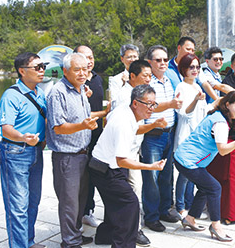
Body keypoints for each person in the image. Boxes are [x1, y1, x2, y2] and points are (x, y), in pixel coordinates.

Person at [90, 84, 166, 248]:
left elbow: (136, 129)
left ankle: (105, 236)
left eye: (154, 104)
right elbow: (121, 160)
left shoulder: (126, 111)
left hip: (106, 165)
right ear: (136, 103)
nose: (152, 108)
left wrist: (154, 124)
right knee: (130, 205)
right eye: (148, 104)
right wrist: (150, 166)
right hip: (105, 169)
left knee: (115, 204)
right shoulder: (123, 123)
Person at [46, 53, 109, 248]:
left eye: (85, 69)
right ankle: (69, 242)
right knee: (69, 203)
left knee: (81, 200)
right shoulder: (58, 92)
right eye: (77, 69)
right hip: (67, 156)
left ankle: (75, 234)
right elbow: (58, 127)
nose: (83, 73)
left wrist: (105, 113)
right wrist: (83, 126)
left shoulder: (81, 89)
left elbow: (84, 115)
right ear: (65, 71)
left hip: (83, 153)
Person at [174, 91, 235, 242]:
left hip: (185, 157)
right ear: (228, 105)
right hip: (188, 161)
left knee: (206, 187)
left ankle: (189, 219)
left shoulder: (216, 114)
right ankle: (216, 226)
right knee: (215, 187)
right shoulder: (221, 123)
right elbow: (223, 150)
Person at [113, 59, 165, 247]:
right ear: (132, 76)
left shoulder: (141, 94)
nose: (149, 79)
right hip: (124, 152)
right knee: (133, 190)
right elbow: (130, 128)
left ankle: (125, 227)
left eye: (150, 76)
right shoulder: (124, 97)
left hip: (134, 149)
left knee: (129, 191)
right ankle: (134, 231)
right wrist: (153, 125)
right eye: (145, 76)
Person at [0, 52, 47, 248]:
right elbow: (6, 128)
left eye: (43, 66)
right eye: (37, 67)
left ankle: (28, 241)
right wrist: (22, 137)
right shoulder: (11, 95)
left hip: (36, 152)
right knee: (17, 205)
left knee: (33, 202)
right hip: (15, 152)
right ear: (21, 71)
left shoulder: (40, 93)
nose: (42, 70)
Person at [141, 45, 183, 232]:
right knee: (151, 177)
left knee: (166, 175)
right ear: (149, 62)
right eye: (158, 60)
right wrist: (170, 104)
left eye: (165, 60)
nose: (163, 63)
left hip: (169, 133)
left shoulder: (169, 80)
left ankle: (165, 209)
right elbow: (149, 106)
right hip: (152, 136)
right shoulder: (146, 83)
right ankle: (151, 216)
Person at [174, 53, 210, 217]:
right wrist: (195, 100)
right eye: (191, 67)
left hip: (197, 136)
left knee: (193, 172)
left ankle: (190, 205)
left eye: (197, 67)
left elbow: (202, 112)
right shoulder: (181, 87)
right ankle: (180, 206)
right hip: (186, 135)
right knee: (184, 173)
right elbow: (183, 113)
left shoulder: (197, 86)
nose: (195, 70)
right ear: (184, 69)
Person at [74, 45, 105, 228]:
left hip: (96, 136)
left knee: (93, 176)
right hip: (79, 137)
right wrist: (104, 113)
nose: (89, 61)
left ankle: (88, 211)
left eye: (91, 57)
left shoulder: (97, 79)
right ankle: (77, 217)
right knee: (80, 179)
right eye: (85, 58)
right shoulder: (74, 83)